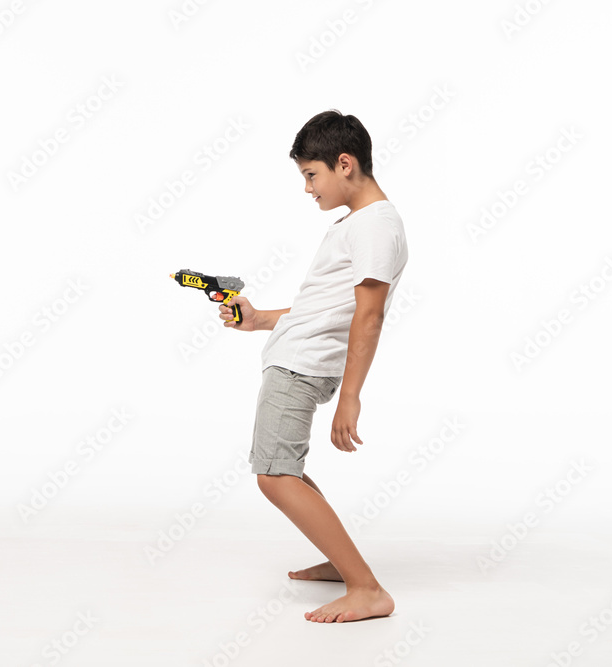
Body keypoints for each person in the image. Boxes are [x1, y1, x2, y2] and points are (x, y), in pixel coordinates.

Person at [220, 110, 408, 623]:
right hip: (296, 355)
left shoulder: (374, 226)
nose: (307, 188)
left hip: (301, 367)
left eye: (311, 174)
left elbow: (368, 318)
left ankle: (366, 589)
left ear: (344, 164)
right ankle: (341, 561)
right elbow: (324, 308)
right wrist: (259, 319)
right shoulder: (358, 224)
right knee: (288, 472)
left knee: (274, 476)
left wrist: (351, 395)